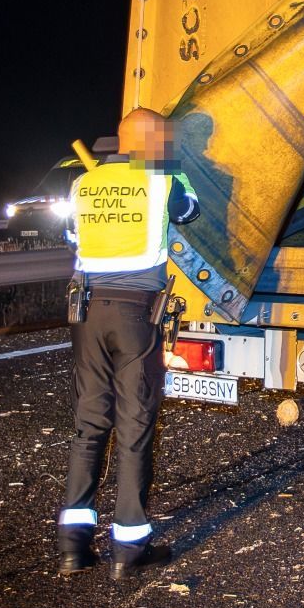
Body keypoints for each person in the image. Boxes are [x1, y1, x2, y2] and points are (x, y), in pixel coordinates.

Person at [56, 108, 200, 579]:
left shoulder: (83, 184)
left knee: (89, 422)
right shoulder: (162, 182)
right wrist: (173, 171)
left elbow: (71, 234)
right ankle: (128, 549)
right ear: (151, 143)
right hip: (136, 312)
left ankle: (73, 549)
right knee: (135, 426)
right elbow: (190, 212)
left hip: (87, 312)